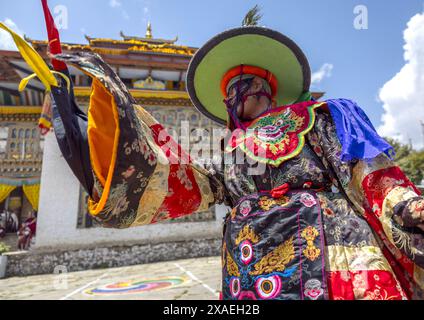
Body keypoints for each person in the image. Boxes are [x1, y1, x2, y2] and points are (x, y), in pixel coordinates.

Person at [1, 5, 423, 300]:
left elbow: (366, 171)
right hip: (248, 263)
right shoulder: (230, 149)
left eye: (236, 89)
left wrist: (405, 205)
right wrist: (95, 129)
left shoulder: (319, 116)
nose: (232, 99)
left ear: (262, 87)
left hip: (326, 246)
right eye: (227, 94)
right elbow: (182, 182)